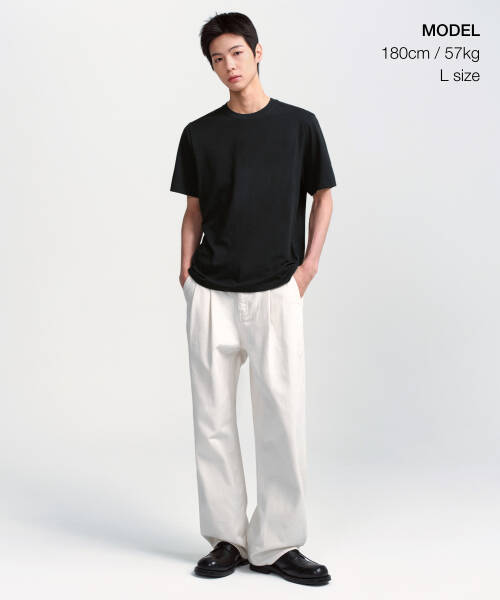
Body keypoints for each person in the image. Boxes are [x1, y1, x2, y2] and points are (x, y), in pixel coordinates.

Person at [170, 12, 337, 586]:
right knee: (212, 420)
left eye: (237, 53)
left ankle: (278, 544)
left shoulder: (298, 125)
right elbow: (192, 211)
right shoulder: (199, 134)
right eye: (218, 59)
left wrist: (309, 266)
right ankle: (227, 539)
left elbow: (324, 194)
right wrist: (185, 273)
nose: (229, 66)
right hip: (211, 291)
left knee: (281, 419)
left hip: (275, 288)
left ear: (258, 52)